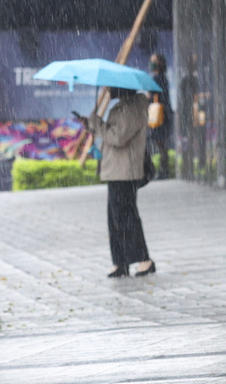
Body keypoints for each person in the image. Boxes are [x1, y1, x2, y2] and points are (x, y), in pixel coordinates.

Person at [83, 87, 156, 278]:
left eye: (111, 88)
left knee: (127, 218)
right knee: (115, 219)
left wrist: (98, 123)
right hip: (116, 170)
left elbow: (117, 137)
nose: (108, 92)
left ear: (121, 88)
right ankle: (120, 262)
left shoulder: (133, 108)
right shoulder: (123, 107)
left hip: (125, 171)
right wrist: (92, 124)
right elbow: (111, 132)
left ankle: (144, 261)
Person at [178, 54, 208, 179]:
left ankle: (196, 165)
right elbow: (186, 98)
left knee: (196, 139)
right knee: (191, 139)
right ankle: (190, 166)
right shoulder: (188, 79)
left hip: (196, 114)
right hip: (191, 113)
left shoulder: (198, 78)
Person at [148, 53, 173, 179]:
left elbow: (155, 96)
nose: (151, 63)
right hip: (163, 115)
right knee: (161, 144)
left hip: (159, 116)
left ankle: (163, 170)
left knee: (160, 143)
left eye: (154, 61)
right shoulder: (162, 78)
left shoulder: (158, 79)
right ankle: (164, 170)